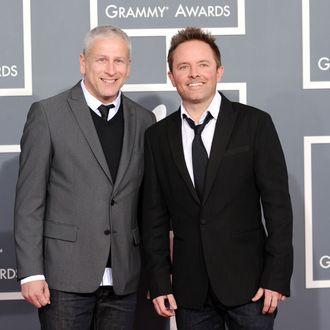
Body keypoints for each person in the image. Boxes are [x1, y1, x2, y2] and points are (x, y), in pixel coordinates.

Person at [142, 27, 293, 329]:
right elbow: (153, 217)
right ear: (171, 76)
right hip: (190, 291)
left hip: (251, 288)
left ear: (219, 71)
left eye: (203, 65)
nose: (194, 74)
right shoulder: (157, 136)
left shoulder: (254, 124)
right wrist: (159, 281)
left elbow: (278, 208)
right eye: (183, 67)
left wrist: (276, 277)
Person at [14, 25, 155, 329]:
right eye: (101, 60)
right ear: (83, 62)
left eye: (119, 61)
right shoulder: (48, 115)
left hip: (124, 279)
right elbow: (29, 202)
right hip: (64, 279)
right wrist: (31, 272)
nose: (110, 69)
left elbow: (148, 203)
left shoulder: (145, 120)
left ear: (129, 67)